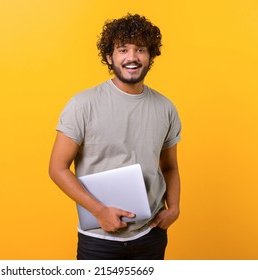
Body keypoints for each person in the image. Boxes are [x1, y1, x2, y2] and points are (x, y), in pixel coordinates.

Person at [49, 13, 181, 260]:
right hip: (99, 239)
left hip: (151, 235)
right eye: (123, 50)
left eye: (140, 49)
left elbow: (170, 167)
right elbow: (57, 168)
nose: (132, 57)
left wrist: (174, 209)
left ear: (150, 56)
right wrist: (99, 211)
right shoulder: (82, 104)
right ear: (110, 57)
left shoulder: (166, 107)